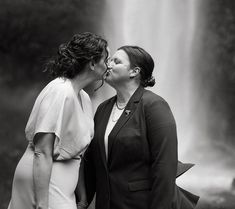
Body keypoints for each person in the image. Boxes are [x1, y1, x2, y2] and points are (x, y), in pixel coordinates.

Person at [84, 45, 199, 209]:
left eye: (116, 61)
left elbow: (165, 167)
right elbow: (92, 163)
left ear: (134, 71)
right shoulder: (103, 108)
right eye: (109, 60)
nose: (108, 64)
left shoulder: (154, 106)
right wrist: (81, 201)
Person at [7, 32, 109, 209]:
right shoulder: (60, 91)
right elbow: (42, 151)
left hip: (63, 186)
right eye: (105, 60)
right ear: (92, 63)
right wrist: (42, 204)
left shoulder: (83, 97)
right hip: (44, 182)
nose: (108, 65)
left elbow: (78, 153)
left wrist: (82, 195)